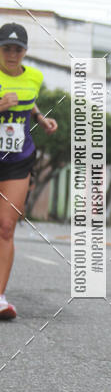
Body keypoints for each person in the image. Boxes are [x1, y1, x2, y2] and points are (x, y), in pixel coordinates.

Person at [0, 23, 58, 319]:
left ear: (25, 51)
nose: (12, 54)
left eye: (17, 49)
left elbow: (29, 99)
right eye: (6, 48)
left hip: (17, 158)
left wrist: (40, 117)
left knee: (6, 226)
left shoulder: (34, 77)